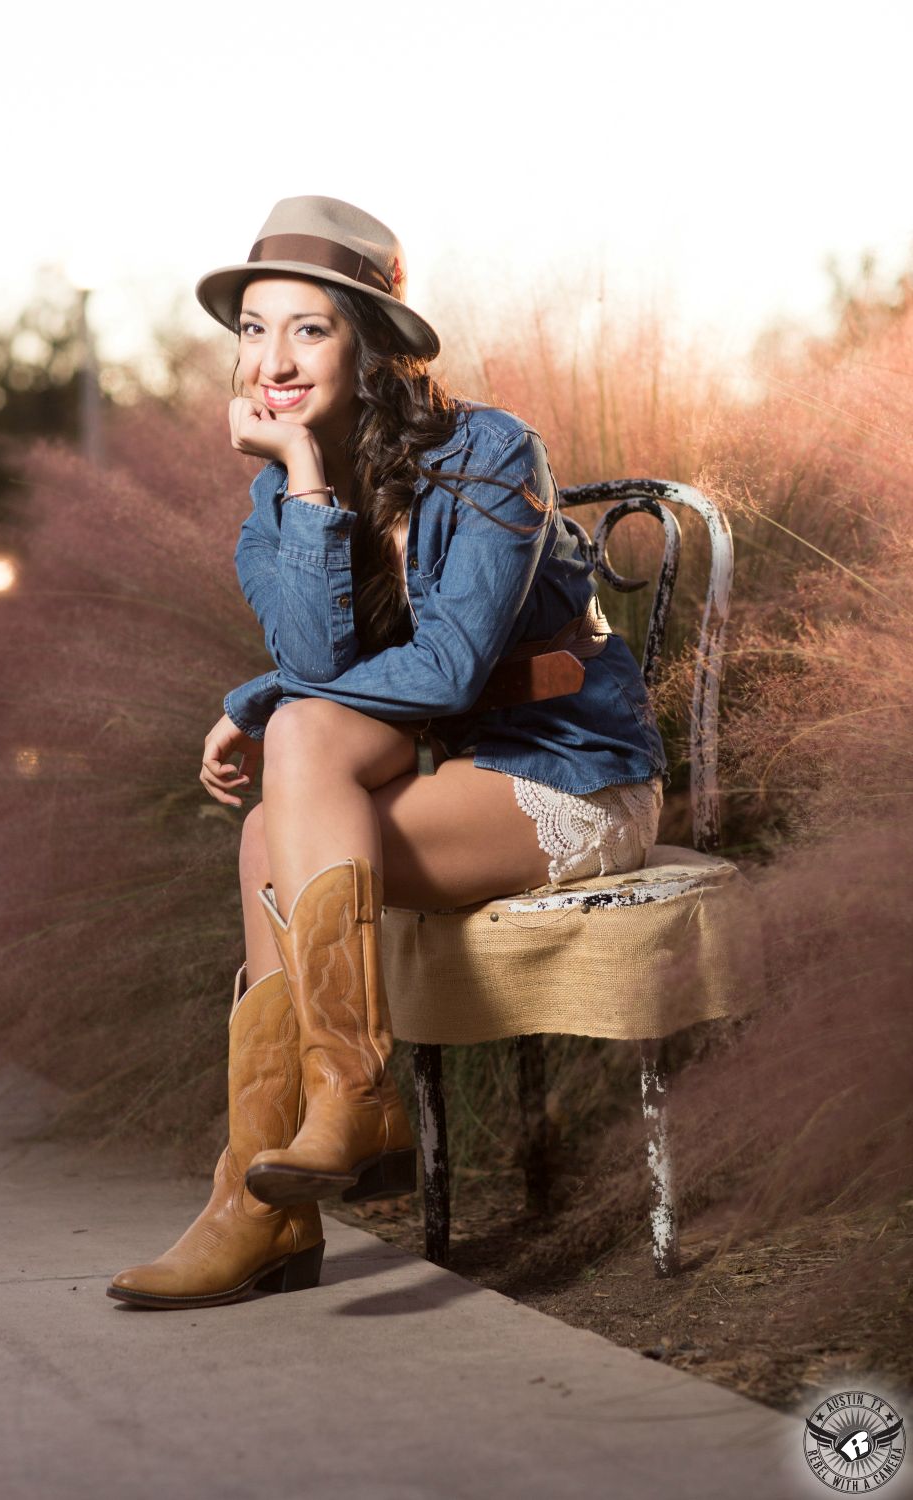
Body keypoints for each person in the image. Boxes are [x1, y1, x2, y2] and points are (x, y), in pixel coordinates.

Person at [107, 196, 669, 1309]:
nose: (271, 358)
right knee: (270, 828)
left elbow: (451, 669)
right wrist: (306, 483)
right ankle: (274, 1183)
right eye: (252, 330)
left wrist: (263, 695)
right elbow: (322, 653)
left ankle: (297, 1162)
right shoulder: (274, 503)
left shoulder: (492, 452)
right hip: (459, 787)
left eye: (306, 328)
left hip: (572, 773)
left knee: (297, 746)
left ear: (370, 342)